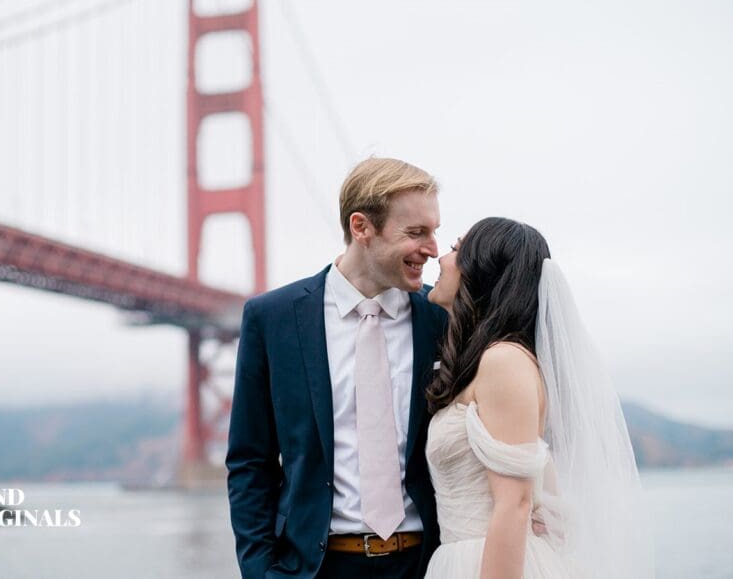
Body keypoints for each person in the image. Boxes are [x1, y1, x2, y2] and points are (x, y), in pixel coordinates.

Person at [227, 157, 448, 579]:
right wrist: (260, 573)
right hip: (315, 568)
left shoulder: (444, 319)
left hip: (425, 566)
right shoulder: (271, 319)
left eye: (434, 231)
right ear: (361, 227)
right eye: (416, 232)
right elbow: (250, 461)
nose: (433, 249)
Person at [423, 217, 651, 578]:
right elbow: (535, 486)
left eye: (455, 249)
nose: (441, 258)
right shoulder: (489, 361)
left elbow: (514, 503)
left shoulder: (504, 360)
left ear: (481, 272)